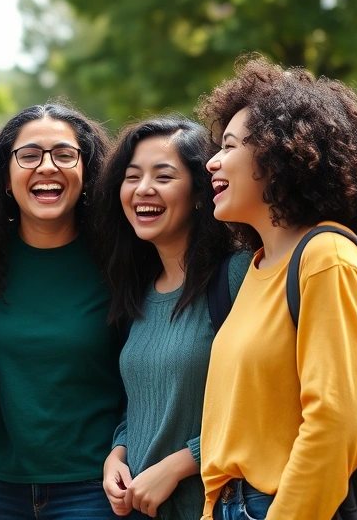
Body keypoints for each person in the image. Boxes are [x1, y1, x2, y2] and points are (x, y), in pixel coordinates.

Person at [195, 56, 357, 518]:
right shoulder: (260, 267)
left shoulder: (327, 260)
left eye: (229, 146)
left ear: (281, 155)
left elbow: (338, 423)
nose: (212, 162)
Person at [0, 101, 124, 518]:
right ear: (6, 179)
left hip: (97, 487)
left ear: (88, 172)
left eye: (65, 154)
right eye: (29, 155)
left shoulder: (119, 260)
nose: (47, 166)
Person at [95, 117, 250, 519]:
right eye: (132, 177)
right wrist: (118, 451)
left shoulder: (237, 276)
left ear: (200, 192)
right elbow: (145, 402)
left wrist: (181, 464)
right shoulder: (137, 291)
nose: (143, 189)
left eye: (163, 176)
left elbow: (268, 401)